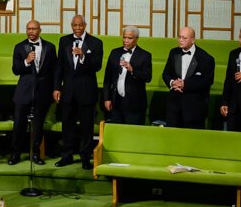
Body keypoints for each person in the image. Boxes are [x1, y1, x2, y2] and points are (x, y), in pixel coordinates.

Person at [53, 14, 103, 170]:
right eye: (75, 25)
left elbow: (97, 66)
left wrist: (83, 56)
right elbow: (59, 66)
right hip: (68, 91)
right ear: (71, 26)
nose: (77, 28)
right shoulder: (64, 41)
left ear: (85, 25)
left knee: (87, 127)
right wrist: (56, 87)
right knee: (67, 125)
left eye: (80, 25)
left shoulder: (95, 43)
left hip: (87, 91)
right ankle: (66, 156)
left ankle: (85, 158)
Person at [8, 20, 56, 166]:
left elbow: (55, 70)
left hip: (43, 92)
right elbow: (16, 69)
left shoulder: (50, 47)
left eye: (34, 29)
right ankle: (15, 154)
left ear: (40, 30)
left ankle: (35, 154)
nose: (31, 31)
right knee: (19, 125)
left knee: (38, 125)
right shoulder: (19, 47)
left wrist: (55, 88)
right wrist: (26, 61)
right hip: (23, 92)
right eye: (29, 28)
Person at [161, 26, 215, 129]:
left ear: (193, 40)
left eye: (184, 38)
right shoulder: (173, 52)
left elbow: (207, 81)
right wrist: (172, 83)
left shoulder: (206, 58)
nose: (180, 40)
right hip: (174, 109)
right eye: (179, 37)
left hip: (194, 110)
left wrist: (185, 84)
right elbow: (166, 74)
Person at [102, 26, 152, 125]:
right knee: (116, 133)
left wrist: (132, 70)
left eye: (129, 38)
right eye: (124, 37)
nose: (126, 40)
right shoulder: (114, 52)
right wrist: (107, 98)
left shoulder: (145, 55)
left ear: (137, 38)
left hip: (135, 105)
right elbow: (107, 78)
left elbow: (148, 77)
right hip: (116, 102)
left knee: (133, 135)